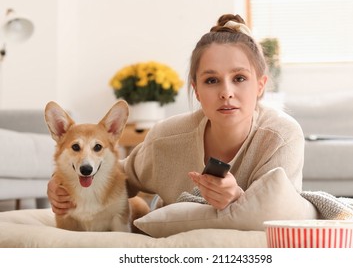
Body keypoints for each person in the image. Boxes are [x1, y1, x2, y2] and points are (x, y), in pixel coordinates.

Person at [47, 13, 304, 214]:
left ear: (260, 85)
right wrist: (62, 185)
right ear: (196, 90)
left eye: (239, 78)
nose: (226, 92)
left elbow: (286, 214)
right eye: (212, 81)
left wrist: (238, 199)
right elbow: (119, 178)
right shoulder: (166, 138)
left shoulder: (281, 137)